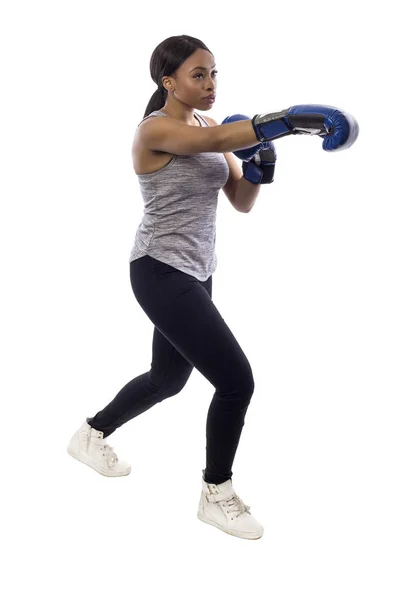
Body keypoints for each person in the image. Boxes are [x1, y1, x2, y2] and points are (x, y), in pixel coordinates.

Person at [67, 34, 358, 541]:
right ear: (168, 81)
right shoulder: (156, 130)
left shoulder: (207, 126)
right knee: (236, 381)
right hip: (159, 270)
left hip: (198, 270)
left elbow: (240, 200)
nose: (209, 84)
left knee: (167, 379)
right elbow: (216, 144)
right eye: (198, 75)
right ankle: (216, 492)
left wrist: (263, 166)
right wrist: (287, 120)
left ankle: (90, 434)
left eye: (214, 73)